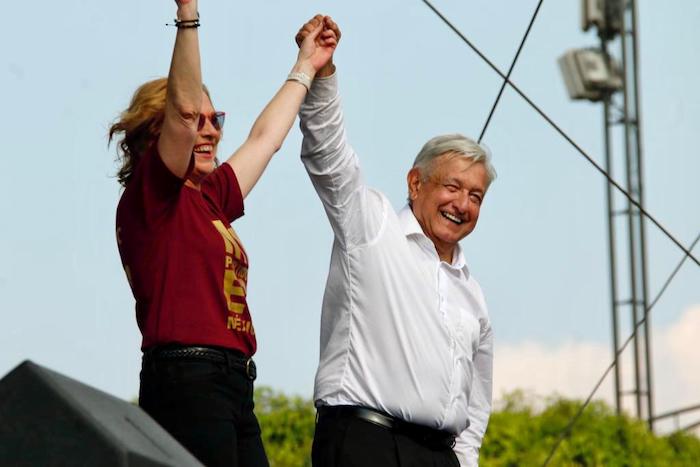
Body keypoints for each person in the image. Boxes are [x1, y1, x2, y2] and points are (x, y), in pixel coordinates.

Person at [109, 2, 337, 466]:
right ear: (161, 134)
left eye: (217, 120)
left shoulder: (209, 198)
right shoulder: (152, 196)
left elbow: (264, 139)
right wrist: (189, 15)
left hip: (232, 382)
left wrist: (306, 66)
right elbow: (183, 108)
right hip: (186, 379)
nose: (210, 129)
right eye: (198, 122)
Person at [295, 17, 496, 467]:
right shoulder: (372, 226)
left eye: (475, 196)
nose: (461, 204)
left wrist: (464, 461)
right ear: (416, 182)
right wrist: (321, 74)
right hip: (366, 441)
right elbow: (329, 156)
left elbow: (476, 401)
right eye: (452, 186)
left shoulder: (473, 294)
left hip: (440, 456)